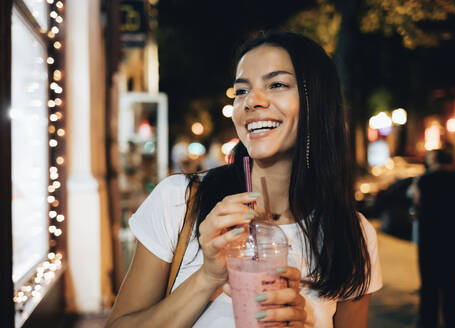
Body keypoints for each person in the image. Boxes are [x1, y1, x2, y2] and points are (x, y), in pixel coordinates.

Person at [106, 31, 382, 328]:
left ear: (317, 101)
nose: (251, 101)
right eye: (241, 91)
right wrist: (207, 277)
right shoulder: (180, 201)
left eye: (276, 84)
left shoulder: (353, 235)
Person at [411, 149, 455, 328]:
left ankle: (428, 320)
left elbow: (417, 202)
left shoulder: (424, 180)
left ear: (434, 162)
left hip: (430, 241)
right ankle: (452, 321)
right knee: (454, 285)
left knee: (429, 284)